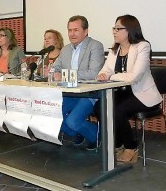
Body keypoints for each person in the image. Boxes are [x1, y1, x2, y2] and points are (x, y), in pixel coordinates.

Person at [96, 14, 162, 163]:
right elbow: (105, 70)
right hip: (123, 92)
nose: (114, 31)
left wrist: (111, 76)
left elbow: (135, 76)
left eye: (118, 28)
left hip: (143, 94)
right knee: (98, 106)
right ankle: (118, 143)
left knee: (117, 109)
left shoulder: (143, 46)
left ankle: (131, 147)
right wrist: (102, 75)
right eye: (114, 28)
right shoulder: (114, 50)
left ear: (130, 29)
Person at [55, 15, 105, 150]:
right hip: (69, 92)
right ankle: (80, 132)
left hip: (89, 93)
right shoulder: (65, 49)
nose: (72, 34)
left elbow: (94, 74)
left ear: (85, 31)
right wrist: (53, 72)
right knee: (52, 114)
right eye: (69, 30)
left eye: (76, 30)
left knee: (72, 121)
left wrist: (65, 76)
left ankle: (97, 135)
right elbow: (56, 68)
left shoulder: (95, 46)